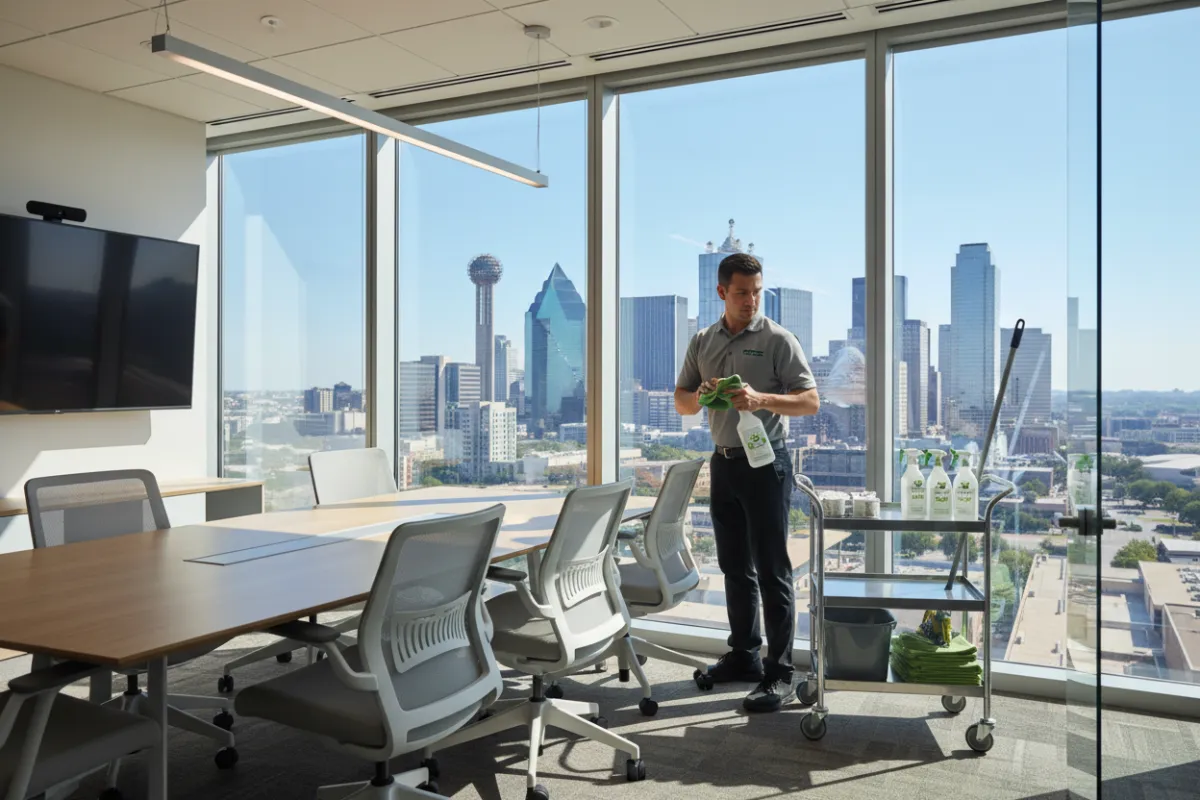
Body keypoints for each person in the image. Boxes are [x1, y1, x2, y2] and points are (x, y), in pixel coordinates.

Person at [674, 252, 820, 712]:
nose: (751, 300)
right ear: (721, 292)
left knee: (773, 570)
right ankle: (744, 656)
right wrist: (699, 396)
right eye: (742, 292)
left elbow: (811, 401)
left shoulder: (778, 339)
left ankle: (779, 672)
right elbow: (681, 402)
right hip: (723, 462)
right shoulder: (703, 340)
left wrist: (761, 399)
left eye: (757, 291)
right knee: (735, 567)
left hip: (766, 464)